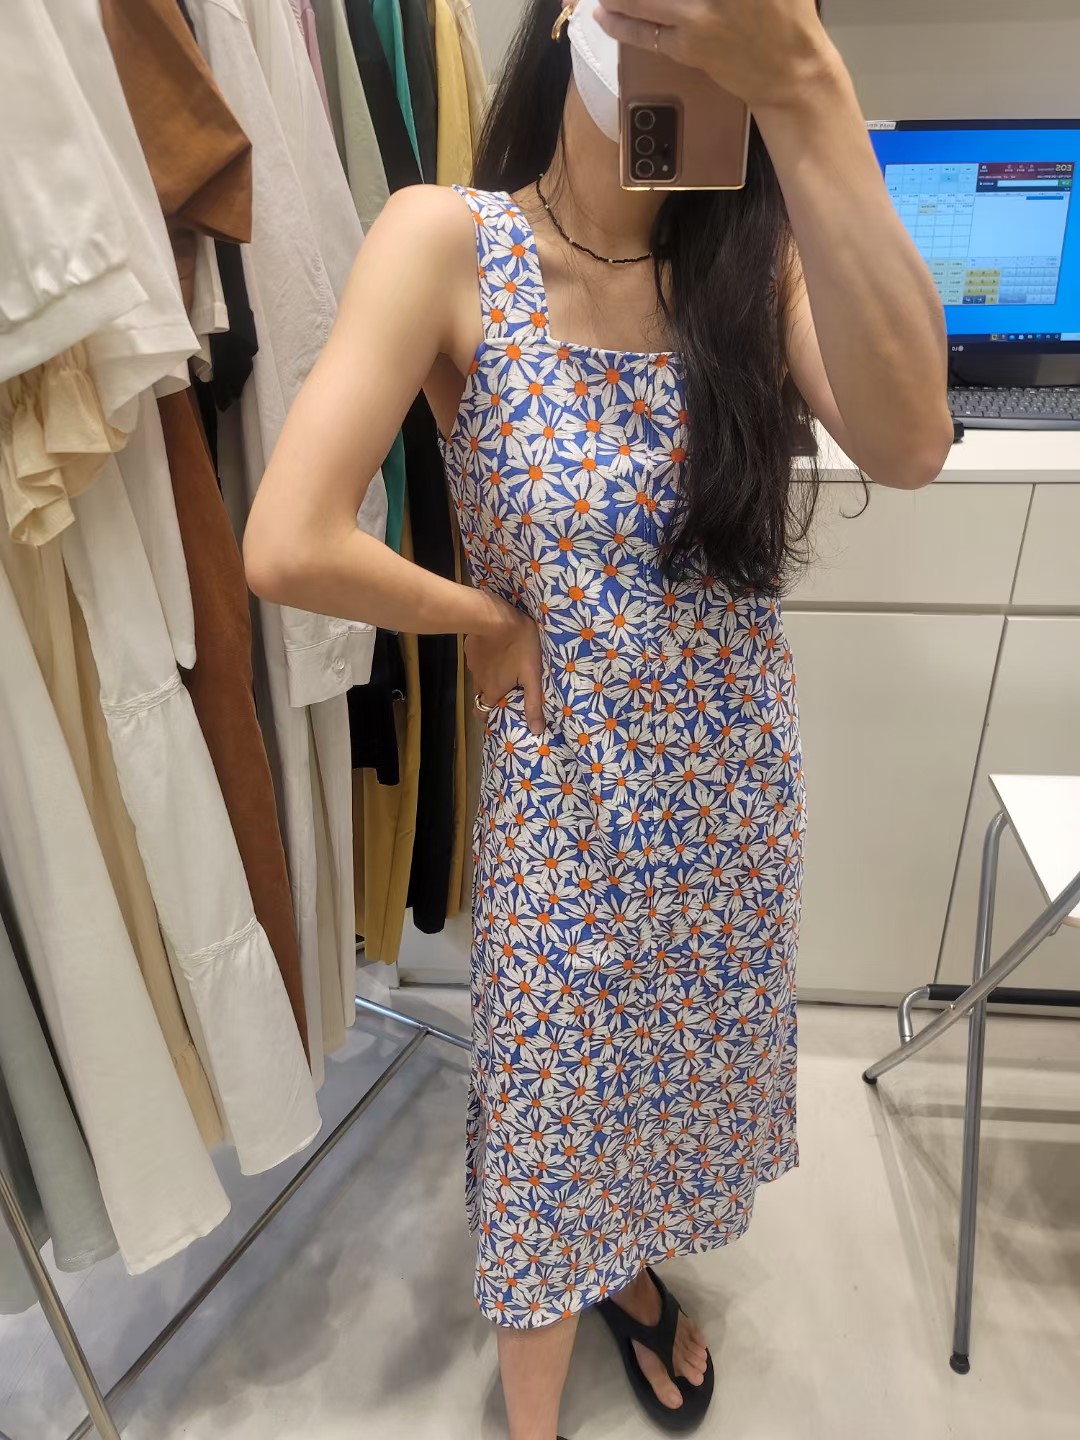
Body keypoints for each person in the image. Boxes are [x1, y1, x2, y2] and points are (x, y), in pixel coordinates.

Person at [244, 1, 953, 1434]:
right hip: (567, 807)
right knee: (550, 1131)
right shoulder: (450, 243)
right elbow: (287, 541)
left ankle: (628, 1274)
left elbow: (913, 442)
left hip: (731, 791)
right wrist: (482, 618)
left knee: (664, 1091)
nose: (695, 49)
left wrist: (810, 92)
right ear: (577, 18)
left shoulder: (752, 265)